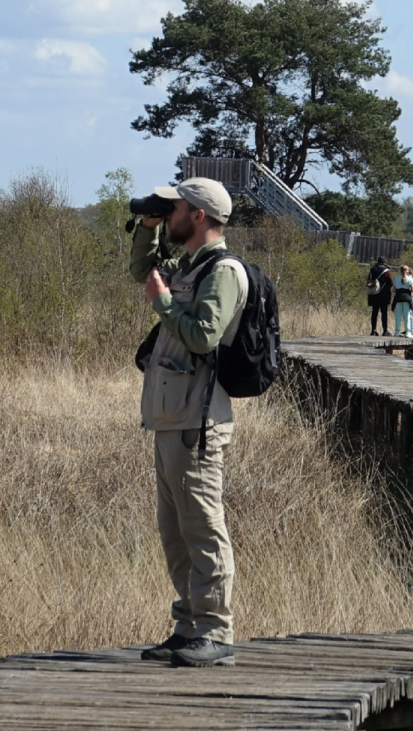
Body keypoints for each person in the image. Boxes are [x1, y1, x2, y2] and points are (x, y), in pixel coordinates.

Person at [128, 176, 248, 668]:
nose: (169, 211)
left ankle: (216, 633)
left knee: (202, 527)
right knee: (175, 531)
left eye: (175, 207)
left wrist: (162, 302)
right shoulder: (190, 265)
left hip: (197, 421)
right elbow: (142, 270)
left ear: (197, 215)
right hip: (169, 416)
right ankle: (188, 628)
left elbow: (202, 336)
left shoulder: (222, 272)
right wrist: (148, 226)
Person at [366, 256, 393, 336]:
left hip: (373, 293)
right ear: (385, 262)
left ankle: (373, 330)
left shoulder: (372, 270)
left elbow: (369, 280)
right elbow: (391, 282)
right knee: (384, 313)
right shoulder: (386, 271)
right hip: (384, 294)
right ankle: (385, 331)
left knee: (374, 312)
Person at [391, 264, 413, 338]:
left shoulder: (397, 279)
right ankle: (408, 332)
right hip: (407, 298)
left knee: (398, 316)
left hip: (398, 298)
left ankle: (396, 332)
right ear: (407, 271)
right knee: (407, 316)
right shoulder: (410, 279)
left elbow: (393, 290)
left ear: (400, 271)